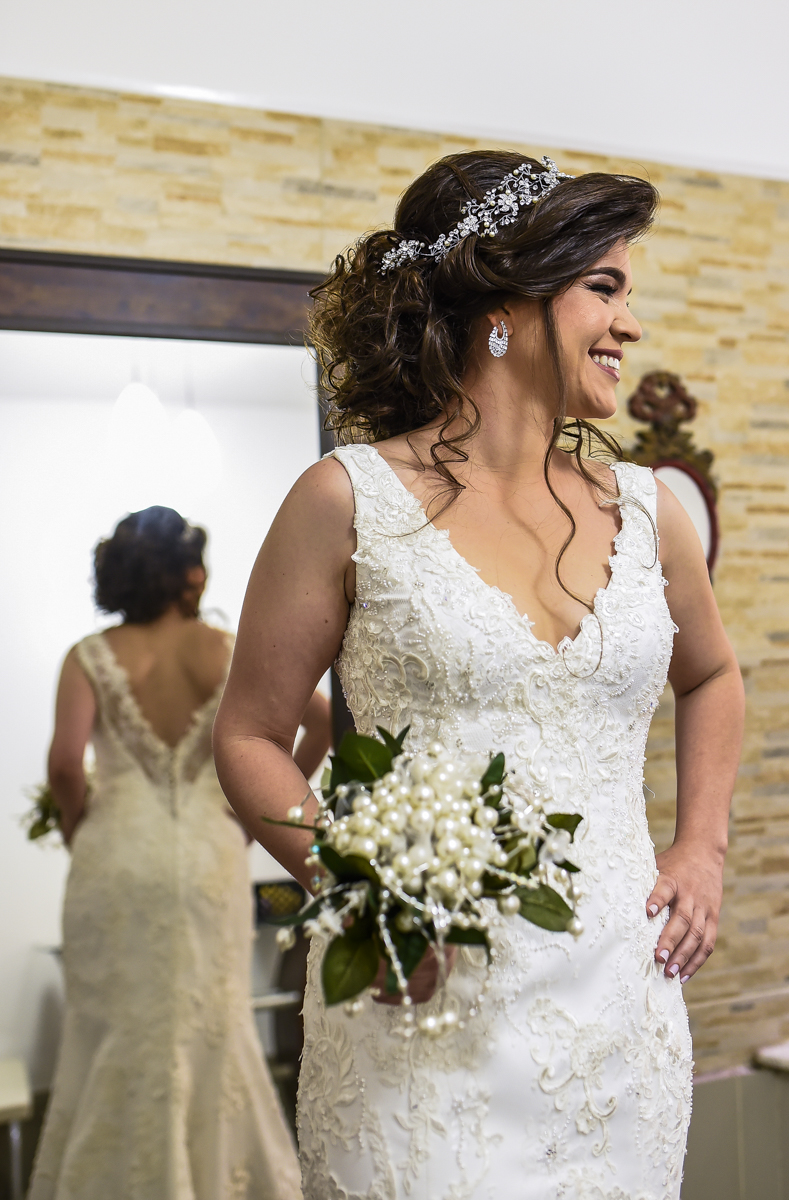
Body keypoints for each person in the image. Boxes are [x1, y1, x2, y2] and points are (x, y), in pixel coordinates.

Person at [212, 152, 745, 1199]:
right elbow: (246, 736)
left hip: (618, 1009)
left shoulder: (647, 510)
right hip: (423, 1019)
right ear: (503, 302)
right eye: (603, 287)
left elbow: (713, 673)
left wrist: (701, 845)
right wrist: (352, 891)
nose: (629, 323)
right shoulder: (343, 499)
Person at [29, 506, 329, 1200]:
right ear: (187, 573)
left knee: (108, 1025)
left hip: (115, 853)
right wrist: (256, 812)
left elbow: (66, 766)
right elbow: (318, 720)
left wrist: (79, 828)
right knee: (215, 1020)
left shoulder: (89, 655)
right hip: (208, 849)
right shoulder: (224, 649)